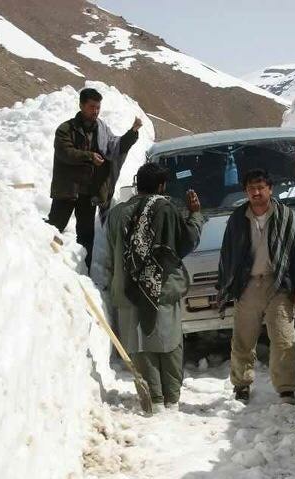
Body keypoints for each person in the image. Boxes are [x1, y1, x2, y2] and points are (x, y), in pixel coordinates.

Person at [102, 163, 204, 414]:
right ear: (162, 186)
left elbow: (110, 253)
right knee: (169, 344)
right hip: (162, 289)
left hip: (128, 291)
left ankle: (154, 402)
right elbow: (185, 242)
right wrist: (195, 215)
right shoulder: (165, 209)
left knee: (140, 346)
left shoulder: (116, 214)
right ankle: (171, 401)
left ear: (137, 185)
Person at [217, 168, 295, 405]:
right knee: (243, 341)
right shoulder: (238, 218)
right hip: (248, 286)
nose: (256, 192)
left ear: (270, 189)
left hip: (278, 284)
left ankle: (286, 389)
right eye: (251, 188)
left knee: (283, 339)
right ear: (246, 191)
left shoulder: (287, 216)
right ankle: (241, 385)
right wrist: (224, 285)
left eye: (260, 187)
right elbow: (227, 253)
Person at [47, 88, 142, 271]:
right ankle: (48, 268)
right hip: (67, 190)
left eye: (98, 107)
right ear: (81, 105)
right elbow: (65, 153)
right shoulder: (66, 129)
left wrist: (132, 133)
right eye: (92, 107)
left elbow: (115, 147)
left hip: (88, 193)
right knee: (54, 229)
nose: (95, 111)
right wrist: (89, 156)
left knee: (86, 237)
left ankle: (84, 273)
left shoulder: (102, 129)